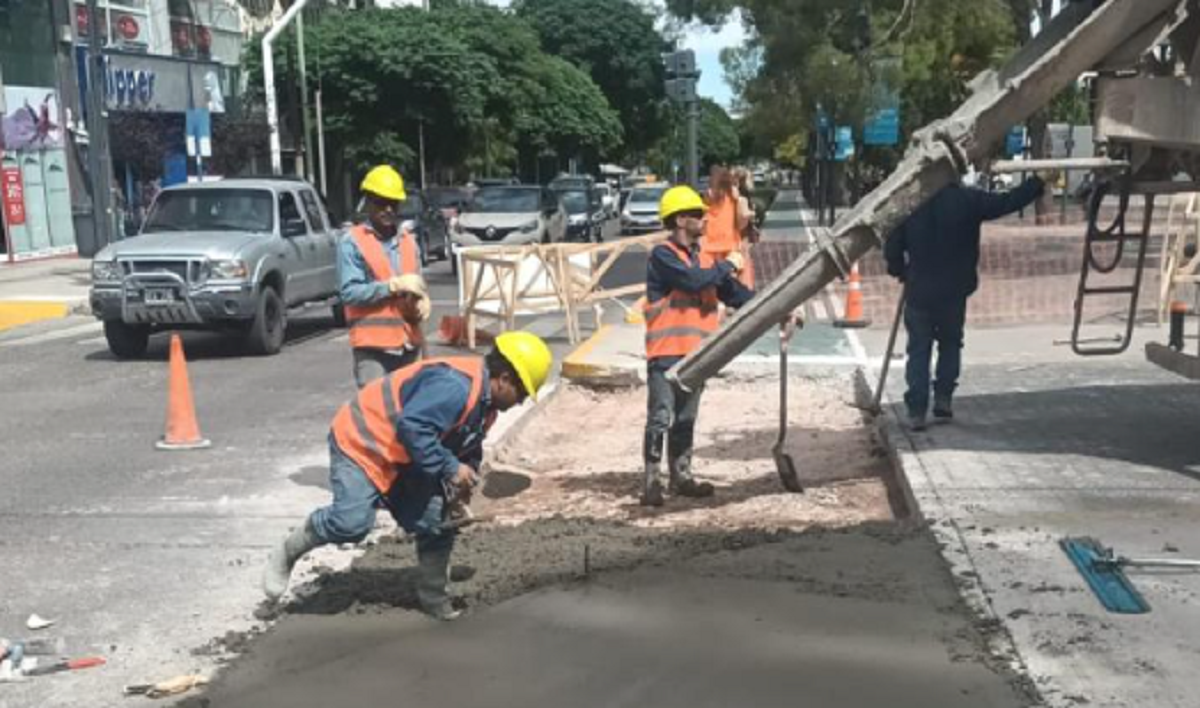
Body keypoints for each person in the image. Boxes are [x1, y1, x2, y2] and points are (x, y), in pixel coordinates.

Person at [262, 331, 554, 620]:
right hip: (364, 442)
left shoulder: (487, 405)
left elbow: (466, 443)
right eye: (523, 393)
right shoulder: (455, 388)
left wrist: (465, 478)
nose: (521, 402)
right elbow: (413, 428)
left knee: (439, 519)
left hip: (405, 454)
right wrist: (451, 468)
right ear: (504, 379)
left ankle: (434, 597)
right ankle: (288, 551)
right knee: (350, 523)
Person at [884, 173, 1048, 431]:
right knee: (950, 343)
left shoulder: (911, 203)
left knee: (918, 348)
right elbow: (1007, 202)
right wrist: (1035, 184)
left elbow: (893, 243)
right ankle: (943, 398)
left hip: (920, 287)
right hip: (954, 288)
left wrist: (898, 269)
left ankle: (916, 409)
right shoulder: (967, 199)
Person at [641, 185, 754, 507]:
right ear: (679, 220)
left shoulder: (702, 259)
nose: (703, 219)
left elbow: (736, 295)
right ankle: (651, 483)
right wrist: (728, 264)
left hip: (696, 355)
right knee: (661, 417)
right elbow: (692, 281)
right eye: (696, 214)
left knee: (686, 419)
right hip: (666, 353)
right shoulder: (663, 256)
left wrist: (781, 308)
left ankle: (681, 477)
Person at [338, 165, 430, 388]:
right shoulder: (352, 242)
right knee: (377, 416)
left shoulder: (408, 241)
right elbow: (349, 293)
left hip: (409, 345)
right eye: (380, 202)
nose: (388, 209)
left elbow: (416, 284)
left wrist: (422, 300)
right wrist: (391, 287)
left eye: (393, 203)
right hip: (373, 351)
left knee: (411, 414)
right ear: (368, 202)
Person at [703, 166, 755, 289]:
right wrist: (752, 214)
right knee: (739, 284)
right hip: (731, 247)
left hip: (709, 247)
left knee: (712, 285)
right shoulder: (737, 198)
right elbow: (742, 223)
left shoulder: (708, 197)